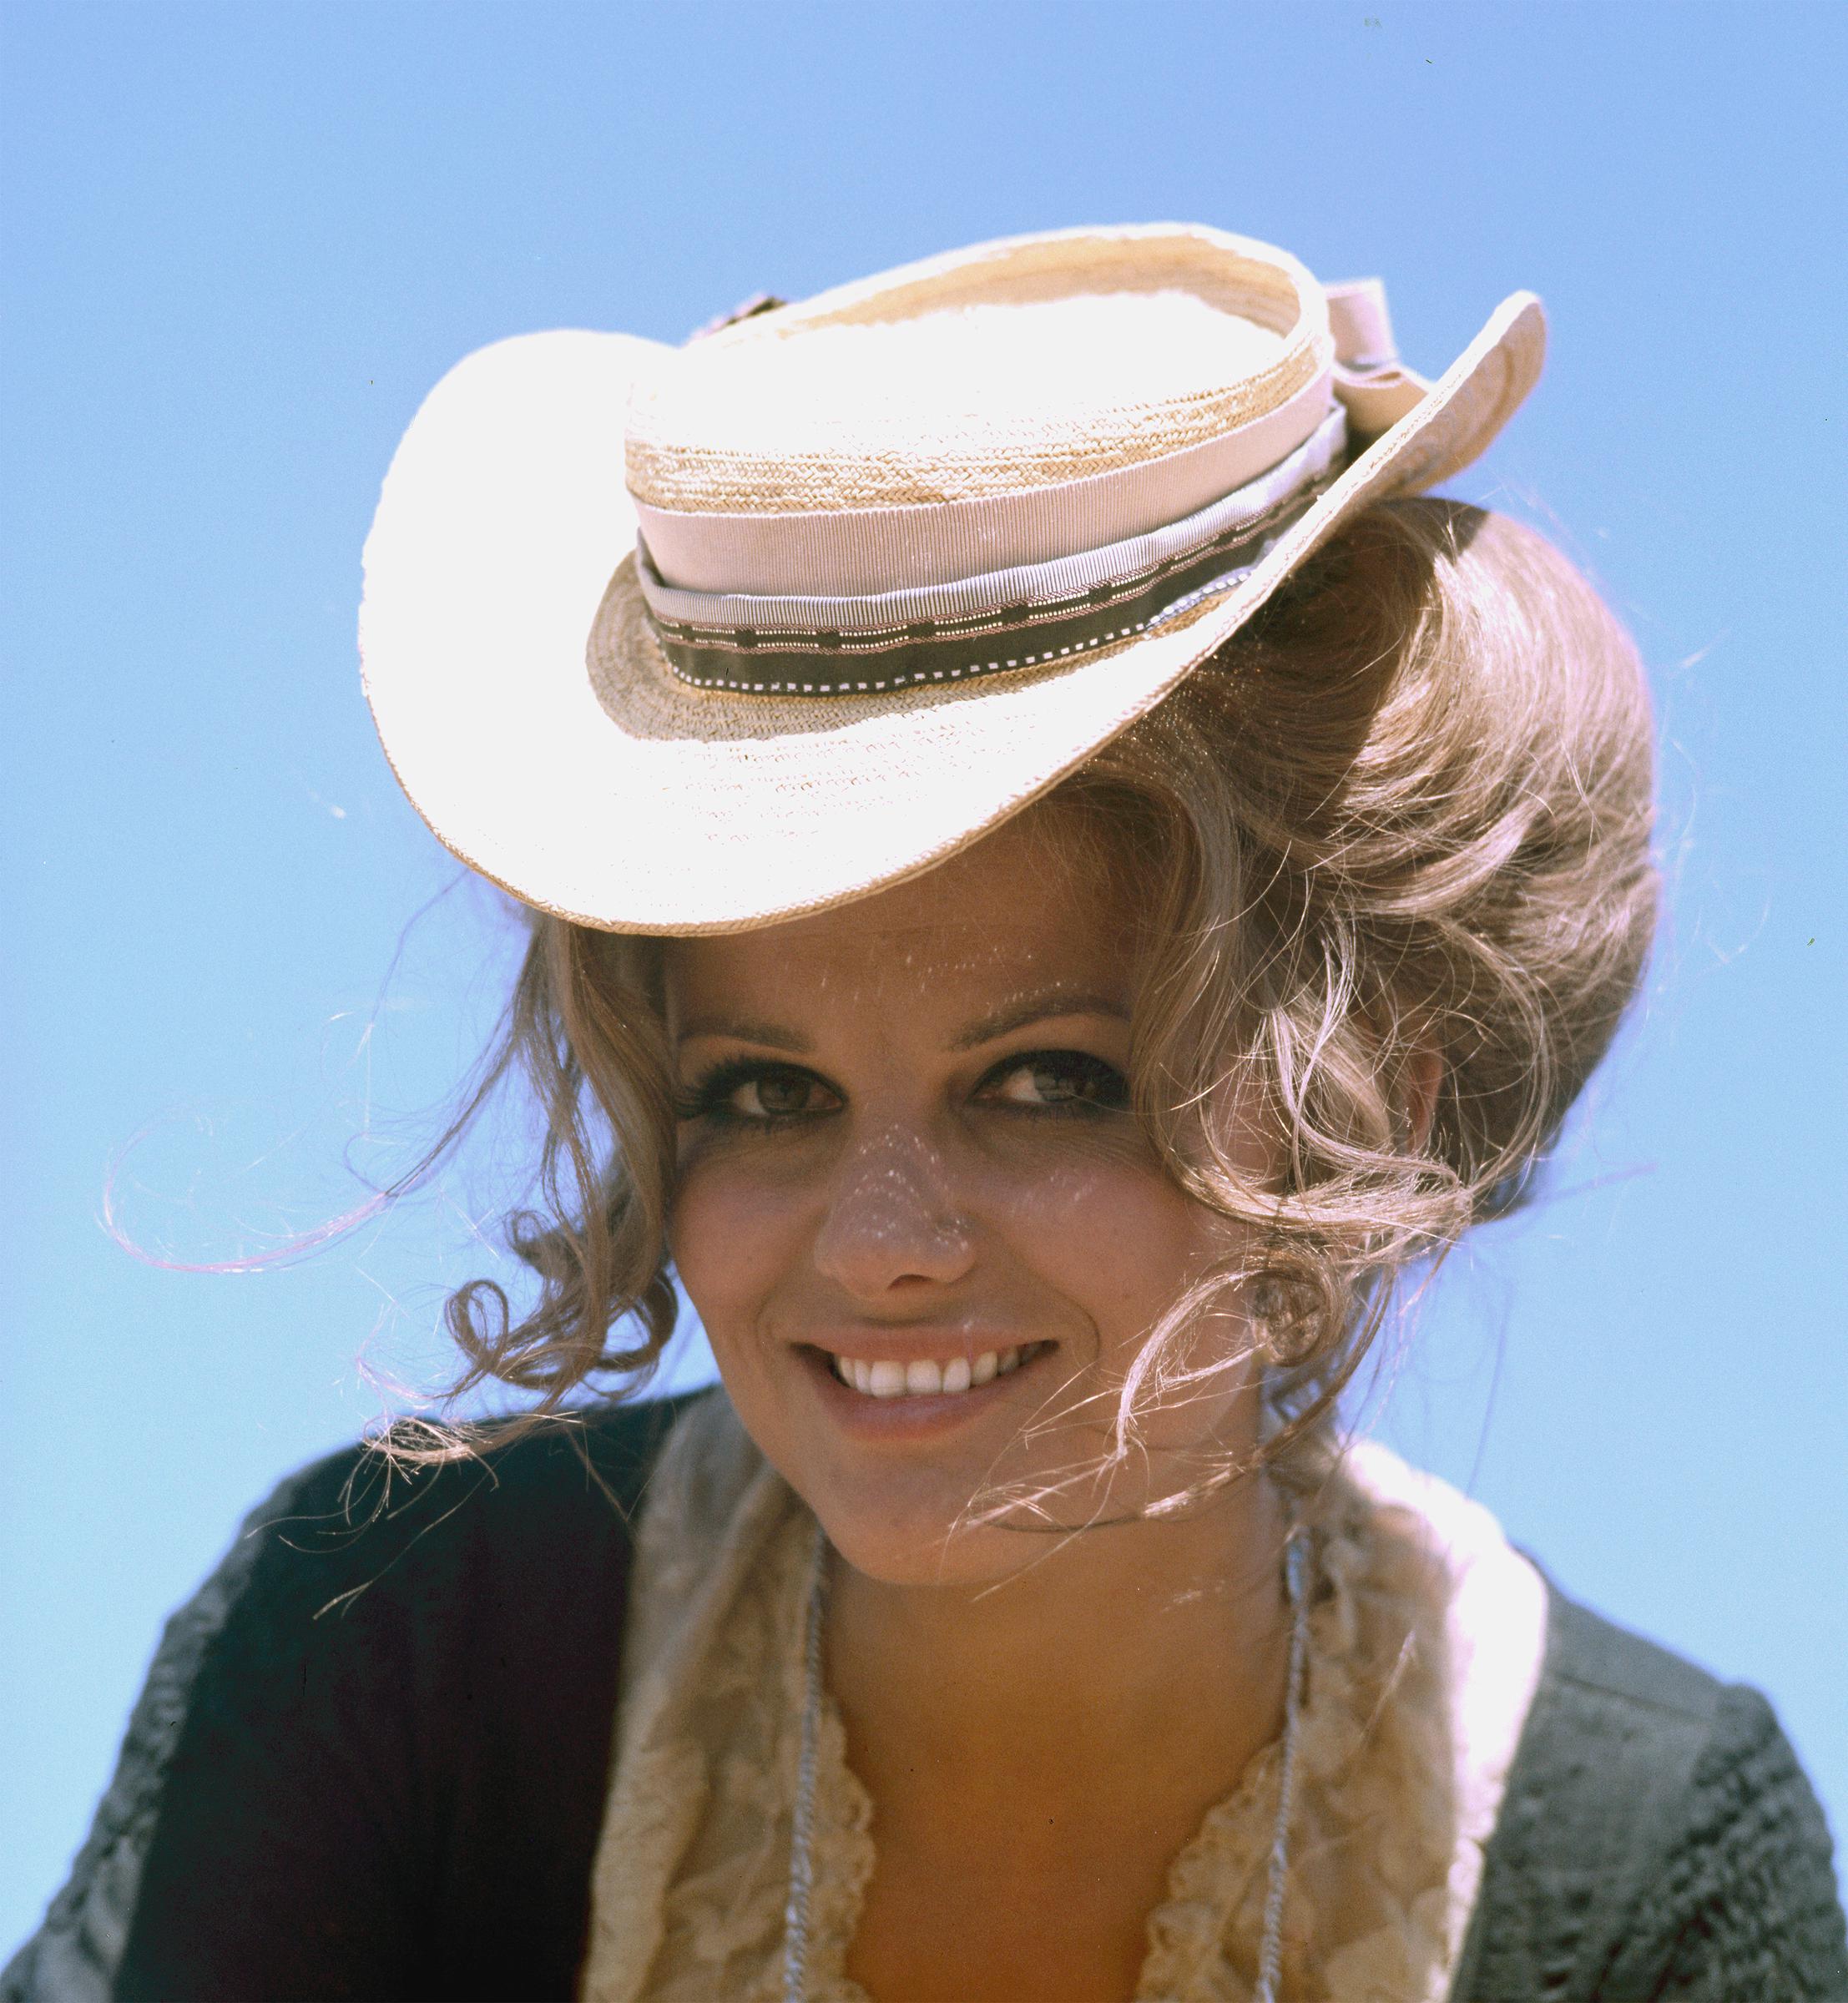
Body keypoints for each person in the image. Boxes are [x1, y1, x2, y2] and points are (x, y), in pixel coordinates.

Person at [8, 225, 1844, 2003]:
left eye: (1053, 1084)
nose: (882, 1242)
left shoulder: (1643, 1854)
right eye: (765, 1092)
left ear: (1371, 1118)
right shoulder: (406, 1643)